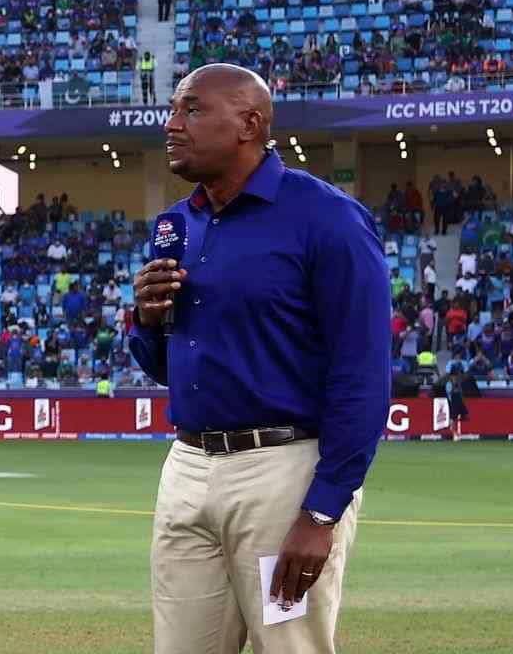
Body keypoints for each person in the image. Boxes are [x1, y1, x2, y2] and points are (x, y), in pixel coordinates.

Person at [131, 64, 389, 653]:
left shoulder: (328, 219)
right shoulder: (178, 223)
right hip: (187, 465)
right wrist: (145, 320)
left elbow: (363, 375)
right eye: (173, 109)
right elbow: (170, 367)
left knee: (292, 647)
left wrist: (321, 512)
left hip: (282, 472)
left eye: (192, 109)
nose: (172, 124)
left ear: (250, 124)